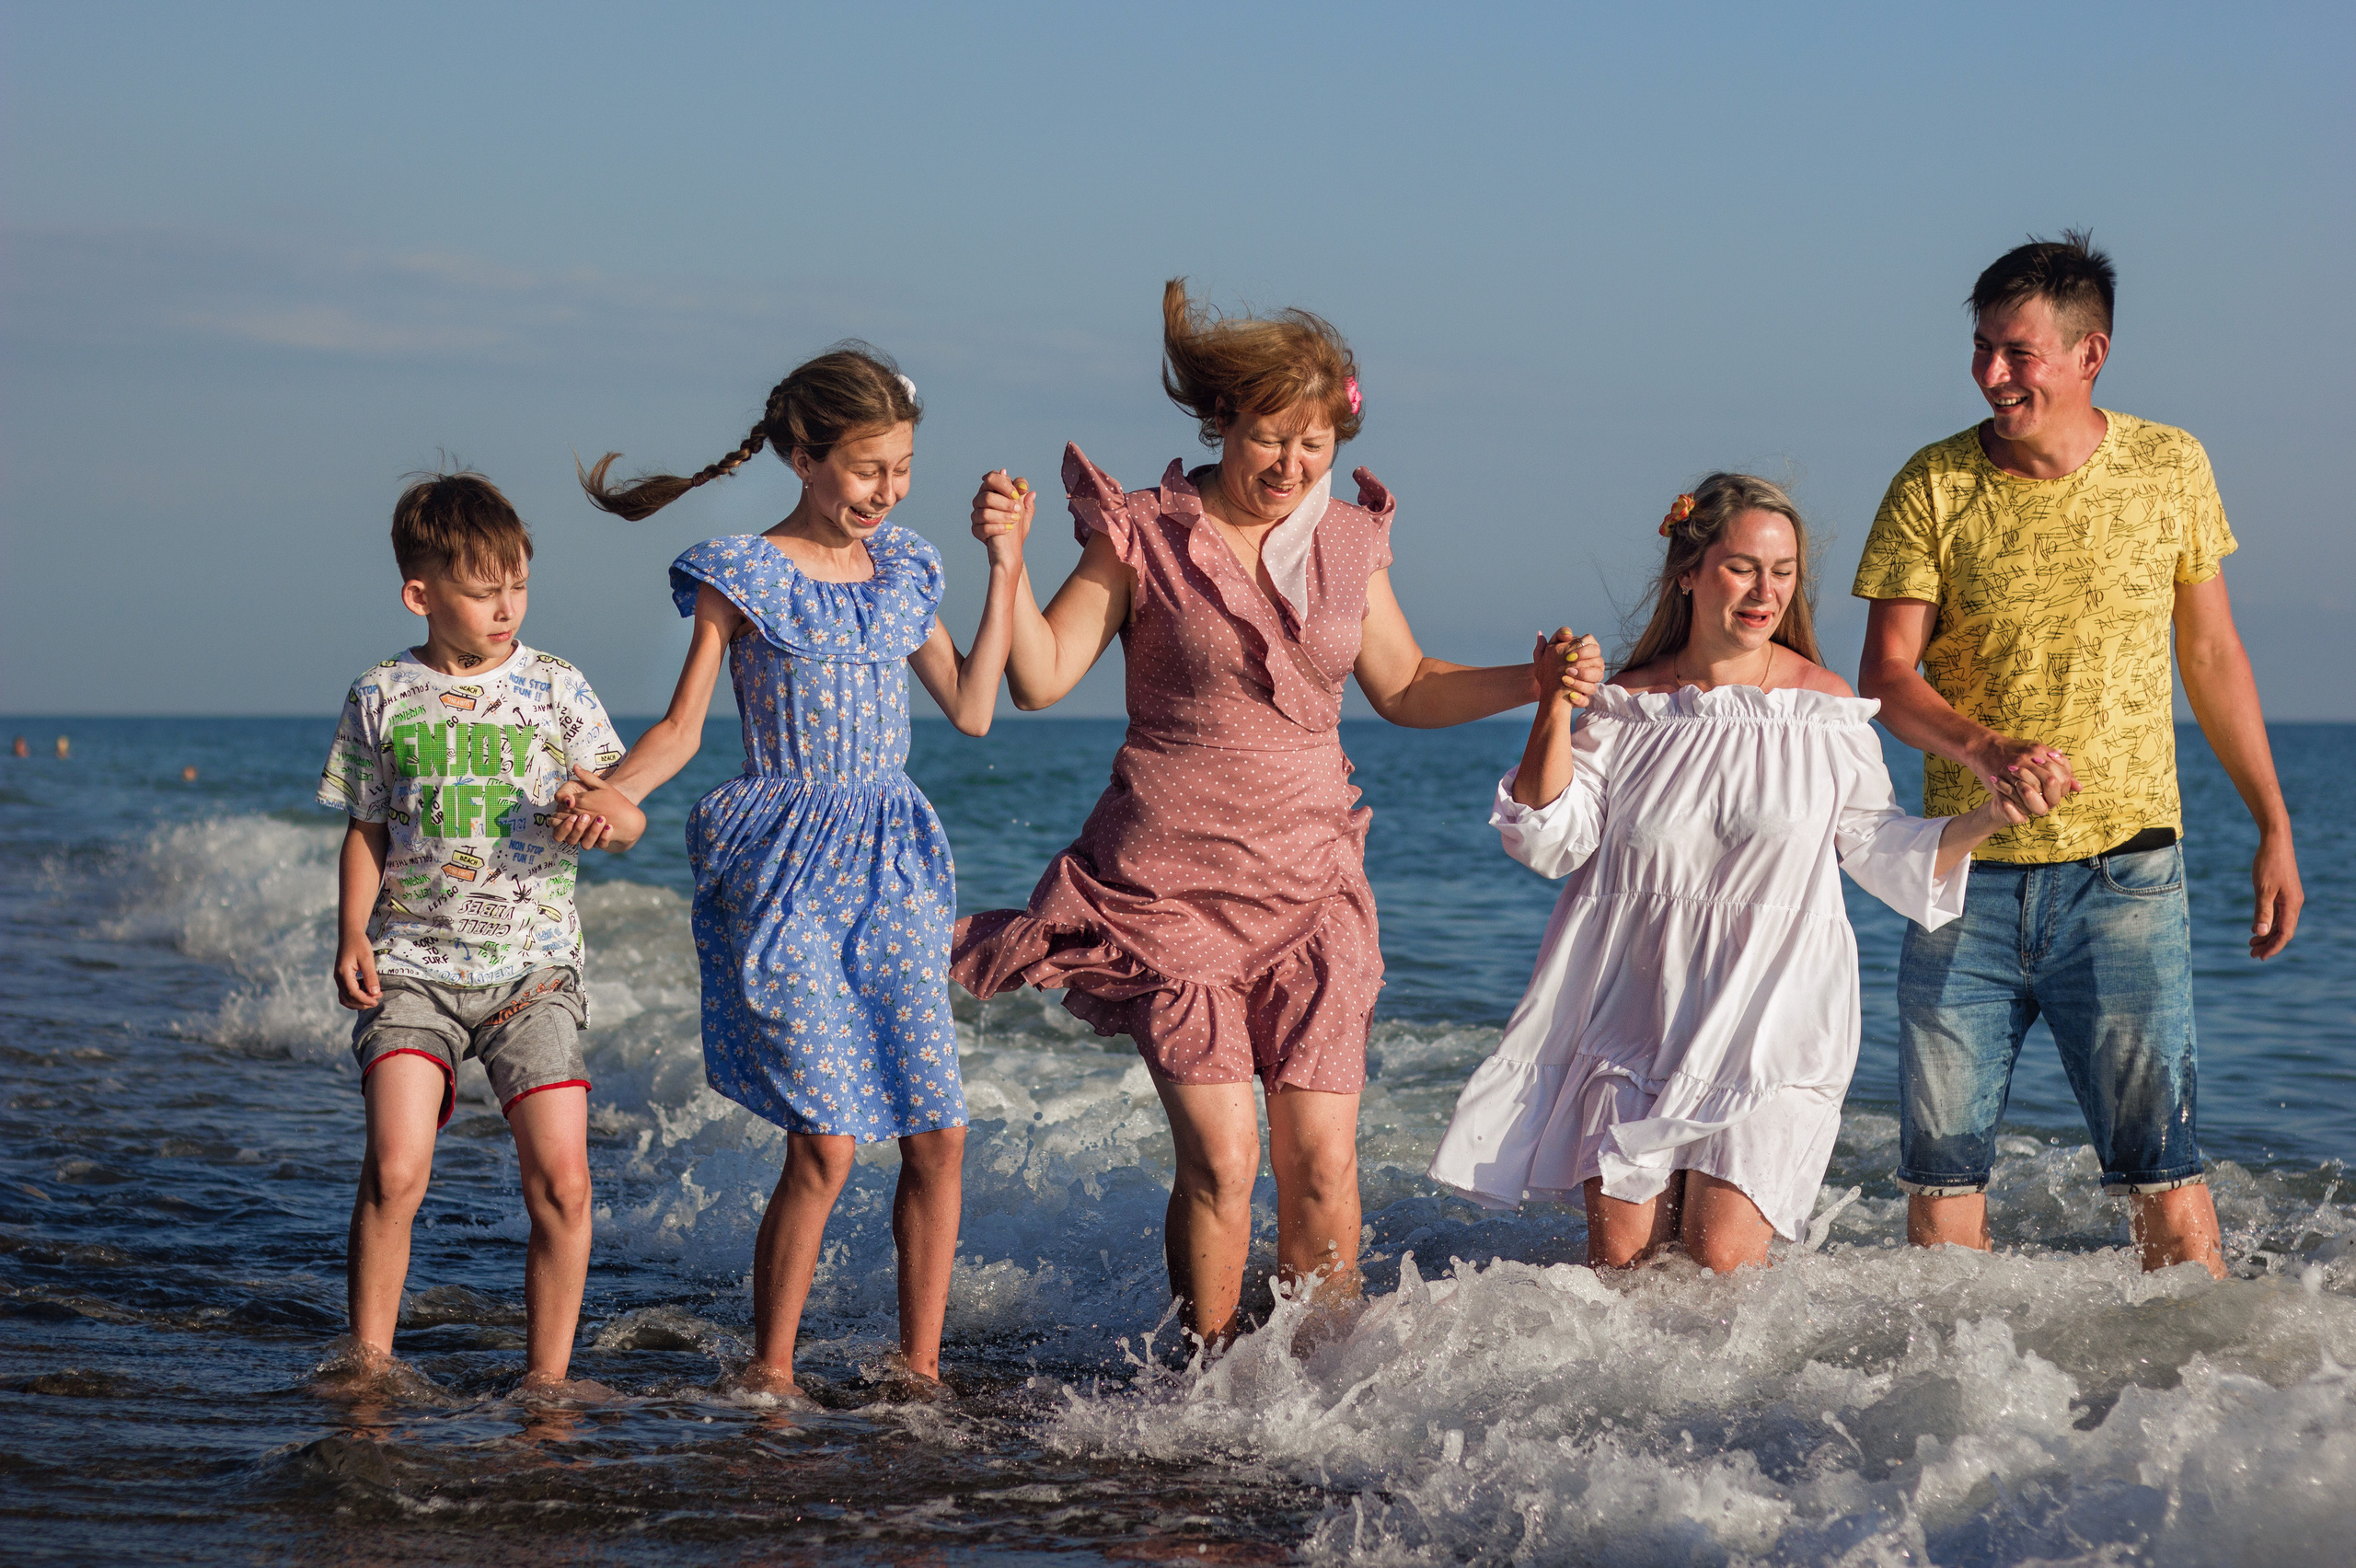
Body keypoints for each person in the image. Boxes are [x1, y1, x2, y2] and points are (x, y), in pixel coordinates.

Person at [955, 281, 1550, 1345]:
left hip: (1311, 891)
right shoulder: (1143, 533)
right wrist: (1006, 565)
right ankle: (1202, 1383)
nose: (1290, 464)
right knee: (1222, 1165)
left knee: (1321, 1166)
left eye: (1313, 443)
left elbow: (1407, 687)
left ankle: (1319, 1391)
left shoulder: (1350, 542)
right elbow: (1039, 680)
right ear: (1220, 421)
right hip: (1168, 894)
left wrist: (1534, 681)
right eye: (1270, 438)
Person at [1427, 477, 2028, 1269]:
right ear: (1688, 570)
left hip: (1775, 1022)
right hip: (1635, 1017)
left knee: (1718, 1265)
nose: (1765, 591)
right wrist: (1552, 705)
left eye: (1783, 572)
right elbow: (1550, 841)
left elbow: (1880, 849)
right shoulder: (1628, 709)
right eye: (1743, 567)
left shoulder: (1823, 710)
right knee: (1622, 1269)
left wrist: (1988, 818)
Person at [568, 345, 1017, 1396]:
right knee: (826, 1136)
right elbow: (683, 728)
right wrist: (615, 791)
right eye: (867, 469)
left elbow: (974, 707)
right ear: (801, 455)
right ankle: (768, 1375)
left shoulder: (905, 568)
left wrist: (1005, 567)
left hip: (894, 858)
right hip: (783, 862)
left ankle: (920, 1370)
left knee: (937, 1132)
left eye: (900, 469)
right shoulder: (742, 571)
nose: (887, 491)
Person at [1854, 232, 2304, 1278]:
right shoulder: (1932, 484)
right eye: (1981, 349)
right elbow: (1886, 678)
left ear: (2089, 352)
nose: (1991, 374)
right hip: (1960, 876)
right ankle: (1939, 1427)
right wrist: (1985, 744)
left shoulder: (2170, 464)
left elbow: (2212, 654)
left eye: (2017, 352)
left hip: (2126, 875)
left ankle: (2207, 1410)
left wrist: (2273, 826)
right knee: (1943, 1187)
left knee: (2164, 1176)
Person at [318, 471, 642, 1394]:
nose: (506, 607)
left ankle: (545, 1383)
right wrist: (352, 934)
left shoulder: (556, 687)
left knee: (564, 1183)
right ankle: (370, 1364)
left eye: (518, 585)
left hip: (534, 973)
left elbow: (628, 814)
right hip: (412, 968)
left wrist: (605, 815)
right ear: (422, 595)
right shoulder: (381, 694)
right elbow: (366, 829)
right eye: (481, 588)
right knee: (396, 1166)